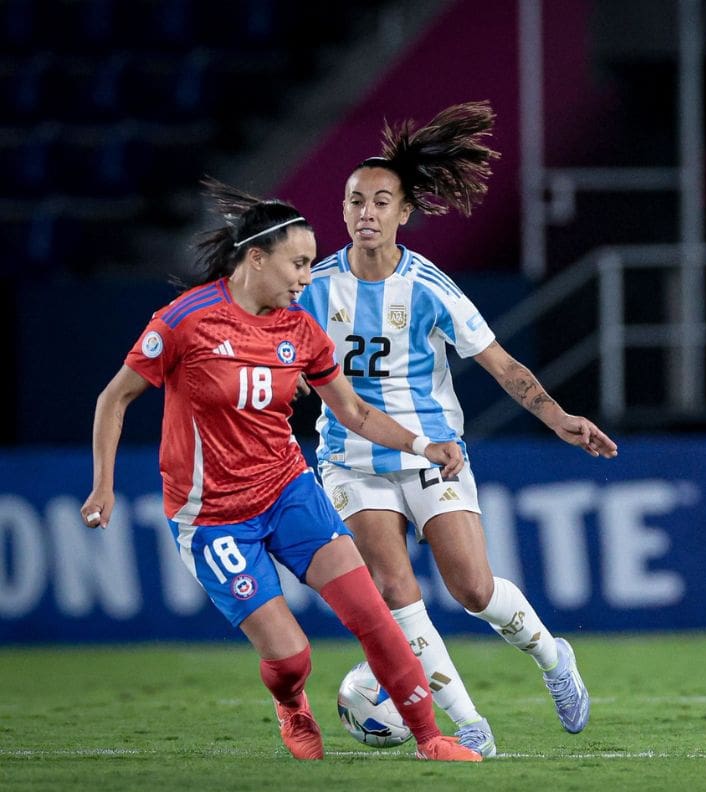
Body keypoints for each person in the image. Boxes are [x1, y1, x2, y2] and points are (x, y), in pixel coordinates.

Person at [80, 180, 481, 762]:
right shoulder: (185, 321)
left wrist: (424, 443)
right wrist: (103, 485)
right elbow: (113, 399)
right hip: (212, 517)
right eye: (297, 263)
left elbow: (355, 411)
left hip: (289, 491)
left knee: (372, 614)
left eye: (311, 265)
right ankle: (292, 703)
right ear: (256, 258)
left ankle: (430, 739)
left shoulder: (300, 329)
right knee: (292, 657)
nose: (305, 277)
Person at [297, 101, 618, 756]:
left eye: (381, 201)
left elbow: (500, 363)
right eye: (355, 200)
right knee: (395, 590)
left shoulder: (429, 288)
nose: (366, 213)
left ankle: (553, 657)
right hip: (351, 463)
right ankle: (468, 725)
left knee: (473, 589)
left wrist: (557, 417)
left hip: (432, 456)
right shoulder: (313, 285)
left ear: (404, 212)